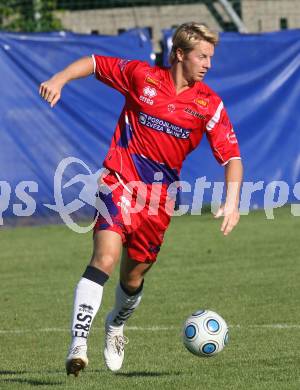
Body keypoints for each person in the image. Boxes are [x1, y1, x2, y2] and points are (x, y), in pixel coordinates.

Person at [39, 22, 243, 376]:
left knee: (132, 279)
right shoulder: (141, 77)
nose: (208, 63)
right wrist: (59, 79)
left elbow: (232, 158)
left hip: (159, 202)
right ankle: (78, 343)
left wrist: (232, 200)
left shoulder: (208, 104)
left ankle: (115, 325)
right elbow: (93, 62)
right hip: (119, 181)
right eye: (202, 55)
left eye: (211, 56)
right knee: (104, 258)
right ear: (179, 54)